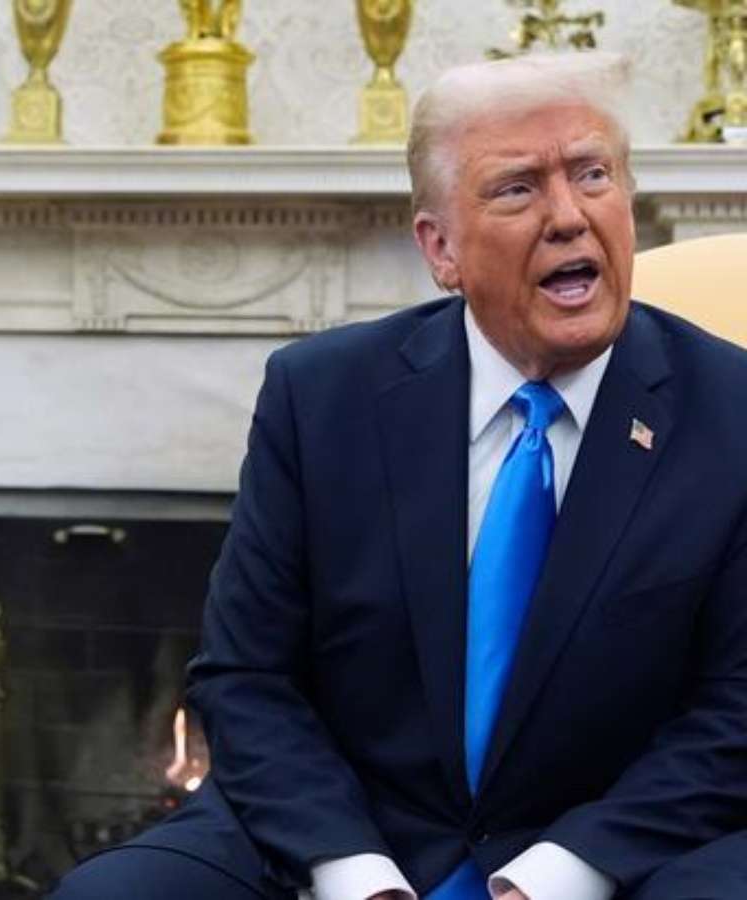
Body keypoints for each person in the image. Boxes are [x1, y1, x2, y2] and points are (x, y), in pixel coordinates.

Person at [53, 52, 747, 900]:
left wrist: (558, 876)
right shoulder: (322, 396)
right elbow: (246, 675)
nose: (570, 216)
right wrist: (351, 871)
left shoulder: (730, 413)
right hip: (352, 828)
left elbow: (736, 712)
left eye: (593, 174)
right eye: (518, 188)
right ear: (440, 249)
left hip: (620, 847)